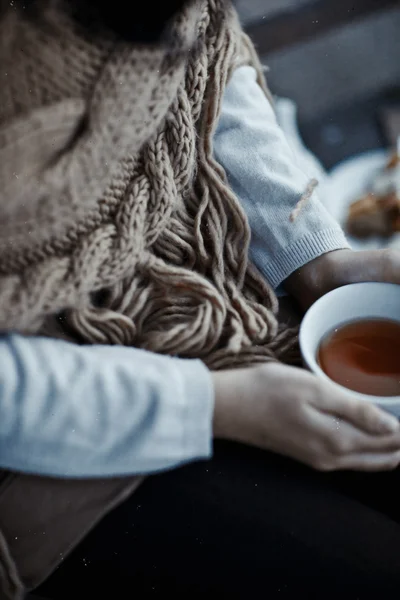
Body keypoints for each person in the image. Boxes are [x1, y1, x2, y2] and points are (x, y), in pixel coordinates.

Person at [1, 1, 400, 598]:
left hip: (198, 280)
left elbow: (200, 56)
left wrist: (313, 255)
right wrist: (211, 405)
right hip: (45, 420)